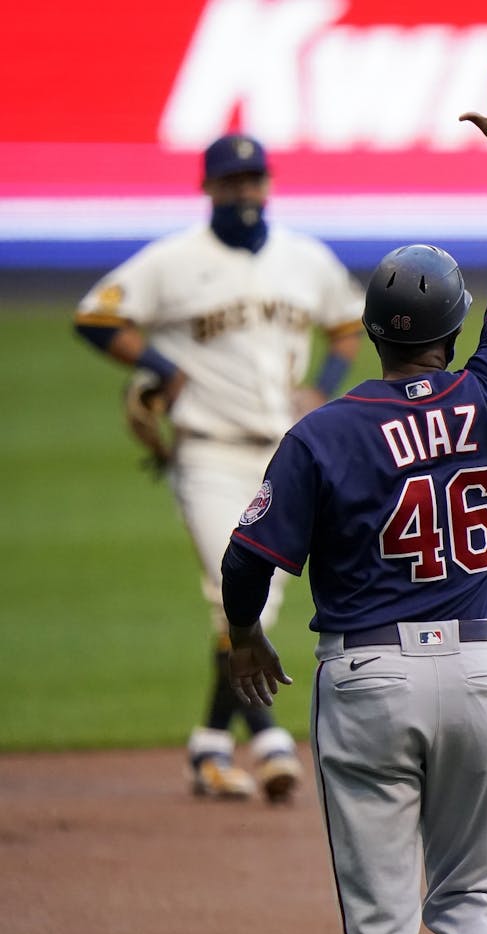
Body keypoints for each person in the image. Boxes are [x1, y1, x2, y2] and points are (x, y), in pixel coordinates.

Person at [219, 60, 487, 934]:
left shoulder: (323, 432)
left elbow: (246, 558)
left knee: (380, 923)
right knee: (475, 900)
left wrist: (247, 632)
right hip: (479, 670)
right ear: (454, 332)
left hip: (368, 677)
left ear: (369, 331)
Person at [74, 131, 365, 802]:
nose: (244, 192)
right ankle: (267, 735)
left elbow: (346, 322)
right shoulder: (173, 261)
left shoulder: (304, 258)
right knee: (235, 585)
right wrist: (158, 366)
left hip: (286, 450)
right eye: (231, 182)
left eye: (253, 180)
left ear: (267, 184)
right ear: (208, 188)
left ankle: (209, 742)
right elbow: (95, 317)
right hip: (205, 449)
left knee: (254, 598)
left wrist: (324, 383)